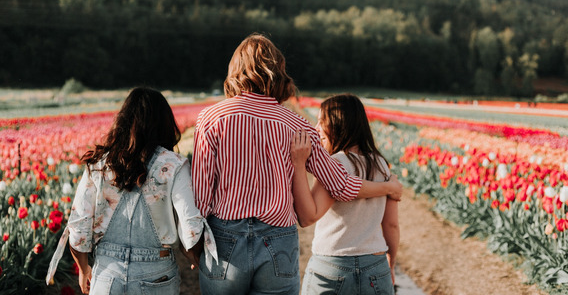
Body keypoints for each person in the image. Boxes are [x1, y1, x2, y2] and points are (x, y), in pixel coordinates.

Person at [190, 33, 402, 295]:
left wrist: (194, 247)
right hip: (278, 240)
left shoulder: (211, 118)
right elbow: (341, 186)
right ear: (278, 71)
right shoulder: (297, 125)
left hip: (225, 240)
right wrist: (387, 188)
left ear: (236, 70)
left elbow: (200, 195)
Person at [46, 87, 217, 294]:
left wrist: (84, 270)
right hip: (157, 275)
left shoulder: (99, 164)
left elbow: (78, 230)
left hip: (107, 277)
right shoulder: (174, 165)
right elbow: (191, 228)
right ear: (165, 123)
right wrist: (194, 254)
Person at [291, 94, 399, 295]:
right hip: (375, 265)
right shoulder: (382, 165)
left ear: (337, 125)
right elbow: (391, 224)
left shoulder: (335, 164)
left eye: (321, 122)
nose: (316, 129)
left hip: (332, 265)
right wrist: (390, 264)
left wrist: (298, 164)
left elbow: (308, 216)